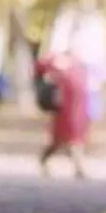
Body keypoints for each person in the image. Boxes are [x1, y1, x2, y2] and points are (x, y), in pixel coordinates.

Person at [35, 50, 90, 179]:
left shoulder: (77, 65)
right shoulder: (59, 64)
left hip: (76, 108)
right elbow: (40, 67)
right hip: (64, 109)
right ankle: (46, 160)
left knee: (75, 139)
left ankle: (79, 168)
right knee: (60, 141)